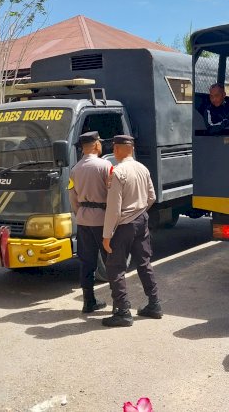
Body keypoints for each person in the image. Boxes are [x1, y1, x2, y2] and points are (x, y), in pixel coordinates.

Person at [102, 135, 161, 327]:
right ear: (132, 149)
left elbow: (113, 207)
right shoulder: (142, 168)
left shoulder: (118, 172)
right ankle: (154, 304)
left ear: (116, 149)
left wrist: (107, 235)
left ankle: (123, 311)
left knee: (116, 267)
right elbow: (152, 196)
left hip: (124, 224)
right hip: (141, 219)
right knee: (144, 263)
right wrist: (140, 209)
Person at [68, 131, 112, 313]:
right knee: (112, 261)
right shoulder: (106, 166)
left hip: (84, 220)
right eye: (100, 142)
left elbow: (73, 198)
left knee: (87, 262)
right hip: (103, 219)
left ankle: (89, 302)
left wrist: (82, 213)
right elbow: (113, 194)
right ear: (95, 145)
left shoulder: (74, 170)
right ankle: (118, 303)